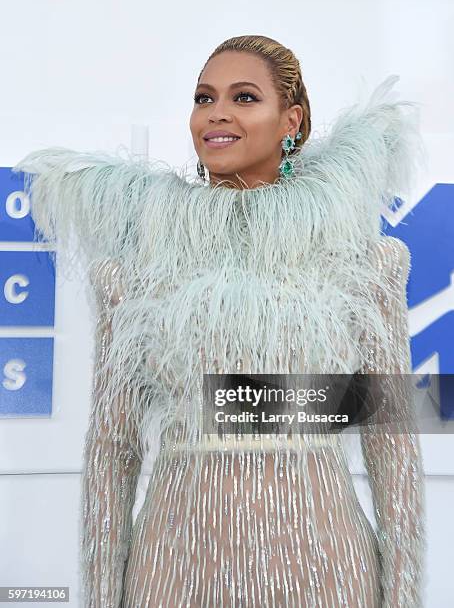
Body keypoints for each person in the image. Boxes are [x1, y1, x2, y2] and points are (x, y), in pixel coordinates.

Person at [13, 35, 426, 608]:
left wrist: (402, 594)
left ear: (292, 119)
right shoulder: (137, 272)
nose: (217, 114)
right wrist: (103, 595)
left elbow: (390, 439)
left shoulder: (361, 263)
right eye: (204, 98)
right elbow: (113, 447)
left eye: (245, 97)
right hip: (174, 571)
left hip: (325, 570)